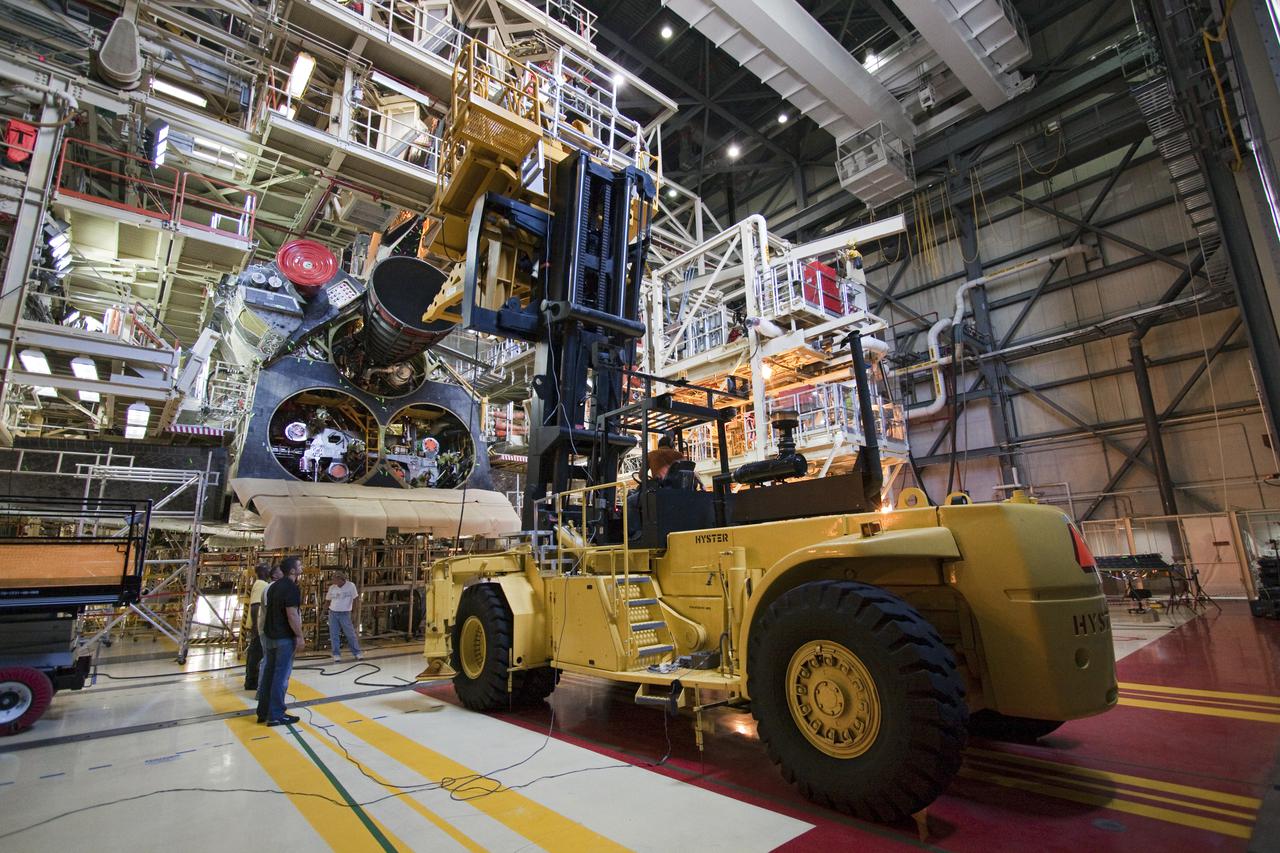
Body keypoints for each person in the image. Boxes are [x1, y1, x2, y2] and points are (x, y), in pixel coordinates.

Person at [256, 556, 305, 726]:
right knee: (281, 676)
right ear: (292, 570)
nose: (302, 566)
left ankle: (263, 711)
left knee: (269, 674)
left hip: (270, 635)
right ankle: (276, 713)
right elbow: (291, 614)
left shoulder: (273, 586)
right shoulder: (291, 588)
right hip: (283, 637)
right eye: (300, 565)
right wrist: (299, 635)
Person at [242, 563, 270, 692]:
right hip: (259, 625)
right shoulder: (261, 585)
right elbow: (255, 606)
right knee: (256, 653)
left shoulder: (260, 584)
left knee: (255, 652)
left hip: (258, 624)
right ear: (263, 572)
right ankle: (252, 680)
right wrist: (255, 626)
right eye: (268, 569)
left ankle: (252, 679)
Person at [325, 571, 363, 662]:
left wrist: (354, 612)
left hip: (345, 613)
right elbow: (327, 601)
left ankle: (357, 652)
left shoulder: (351, 586)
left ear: (340, 579)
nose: (333, 580)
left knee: (350, 634)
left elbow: (356, 599)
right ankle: (336, 654)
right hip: (333, 613)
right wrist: (323, 612)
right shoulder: (332, 588)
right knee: (334, 634)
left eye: (334, 578)